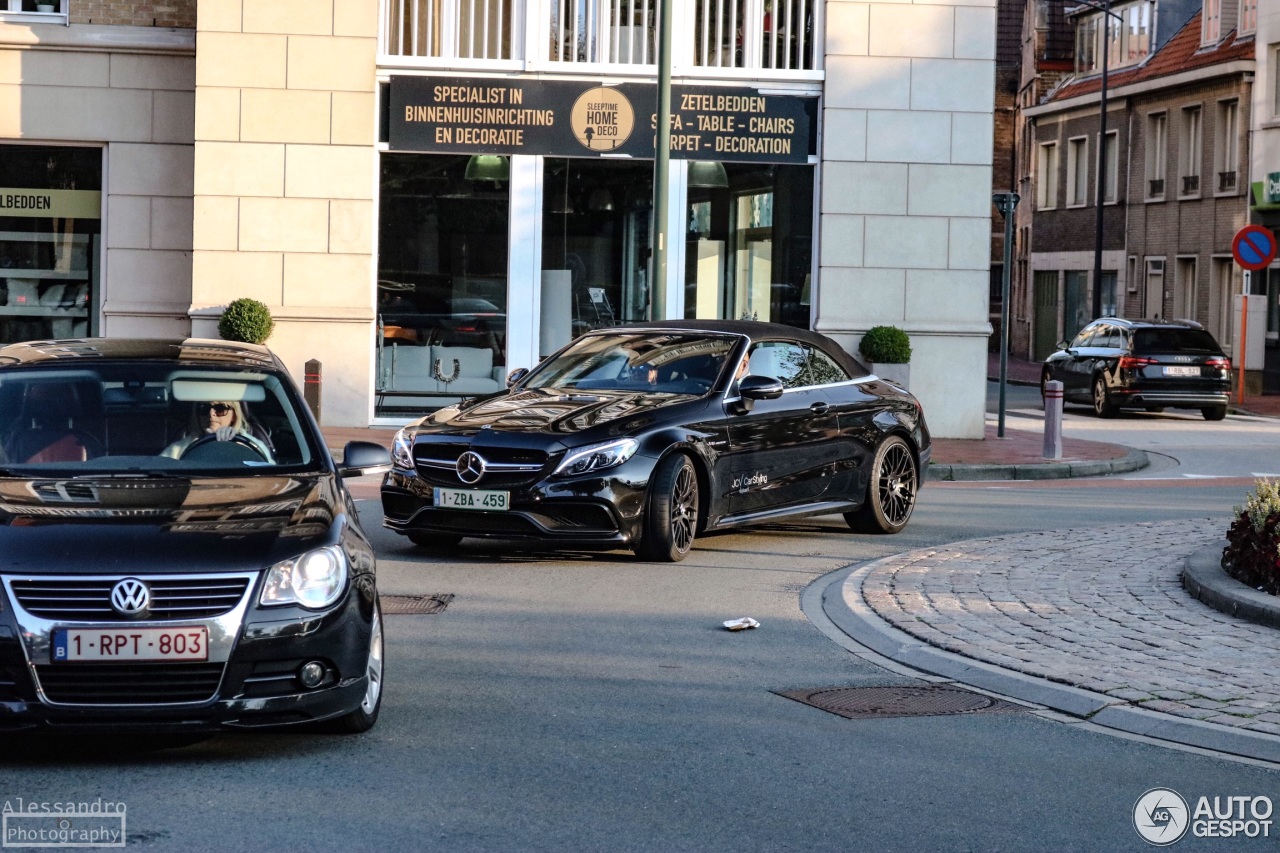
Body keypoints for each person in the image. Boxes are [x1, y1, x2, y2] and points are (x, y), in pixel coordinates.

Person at [161, 400, 274, 461]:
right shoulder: (179, 449)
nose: (211, 414)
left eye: (220, 408)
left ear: (234, 415)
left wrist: (235, 444)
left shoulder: (252, 445)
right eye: (204, 409)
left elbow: (269, 476)